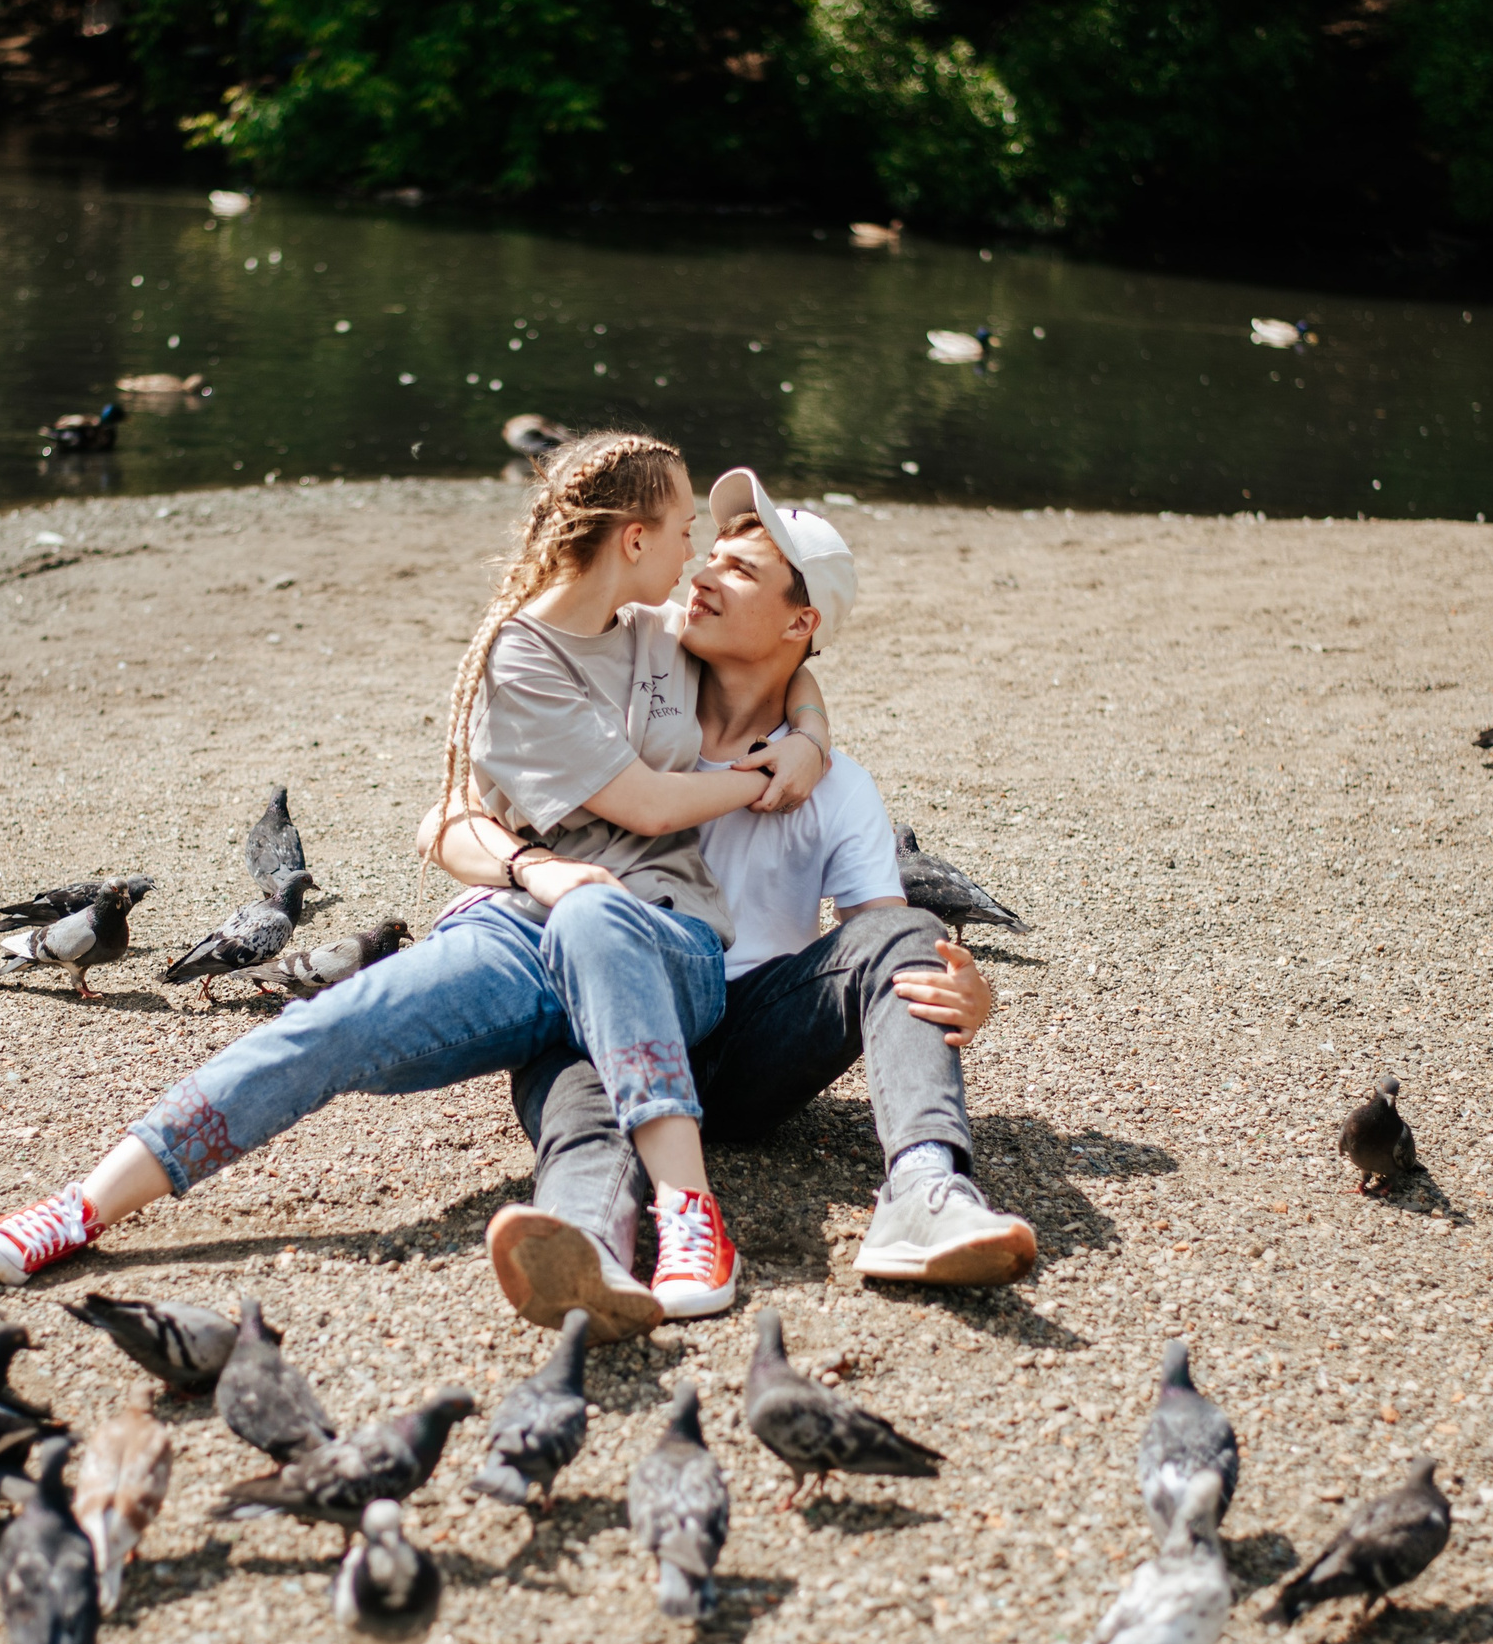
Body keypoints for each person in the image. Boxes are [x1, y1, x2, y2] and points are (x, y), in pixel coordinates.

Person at [0, 433, 825, 1311]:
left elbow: (781, 664)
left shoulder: (659, 630)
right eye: (683, 528)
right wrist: (749, 780)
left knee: (596, 918)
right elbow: (621, 805)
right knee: (329, 1025)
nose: (692, 553)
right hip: (519, 934)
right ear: (633, 541)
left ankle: (690, 1214)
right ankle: (79, 1206)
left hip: (659, 935)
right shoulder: (521, 656)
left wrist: (811, 737)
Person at [427, 468, 1037, 1342]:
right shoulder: (620, 722)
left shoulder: (836, 788)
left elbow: (875, 945)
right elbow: (452, 809)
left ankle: (928, 1193)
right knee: (579, 1048)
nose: (703, 574)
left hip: (750, 1045)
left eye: (740, 571)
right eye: (705, 555)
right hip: (611, 1015)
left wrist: (955, 986)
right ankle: (585, 1242)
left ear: (802, 623)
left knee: (906, 927)